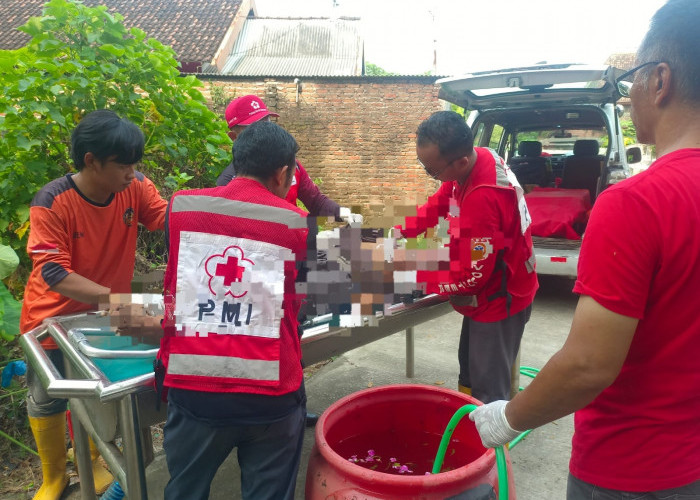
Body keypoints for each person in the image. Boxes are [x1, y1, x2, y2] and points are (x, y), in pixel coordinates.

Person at [469, 1, 700, 497]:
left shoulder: (638, 203)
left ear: (660, 81)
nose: (627, 95)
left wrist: (507, 418)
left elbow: (588, 366)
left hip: (628, 470)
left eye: (632, 78)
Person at [20, 109, 168, 500]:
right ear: (91, 161)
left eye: (136, 164)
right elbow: (54, 273)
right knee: (47, 398)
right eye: (124, 165)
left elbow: (166, 220)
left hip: (107, 314)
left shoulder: (133, 187)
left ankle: (92, 457)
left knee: (99, 394)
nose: (132, 173)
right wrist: (114, 299)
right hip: (51, 318)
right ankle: (53, 478)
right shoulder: (52, 201)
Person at [157, 121, 309, 500]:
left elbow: (176, 277)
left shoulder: (182, 207)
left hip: (194, 387)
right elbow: (298, 300)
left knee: (185, 490)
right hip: (271, 391)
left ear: (237, 160)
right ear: (282, 173)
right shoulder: (296, 225)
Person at [395, 111, 538, 403]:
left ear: (459, 162)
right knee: (470, 373)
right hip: (490, 289)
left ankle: (491, 446)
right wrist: (399, 233)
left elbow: (470, 278)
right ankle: (472, 426)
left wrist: (413, 277)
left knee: (489, 392)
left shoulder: (483, 198)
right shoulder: (476, 158)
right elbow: (439, 202)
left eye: (432, 171)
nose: (430, 175)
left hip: (500, 298)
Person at [216, 94, 361, 224]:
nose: (265, 132)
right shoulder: (228, 183)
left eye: (268, 123)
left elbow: (316, 201)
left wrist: (346, 214)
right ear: (234, 138)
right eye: (254, 128)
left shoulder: (292, 166)